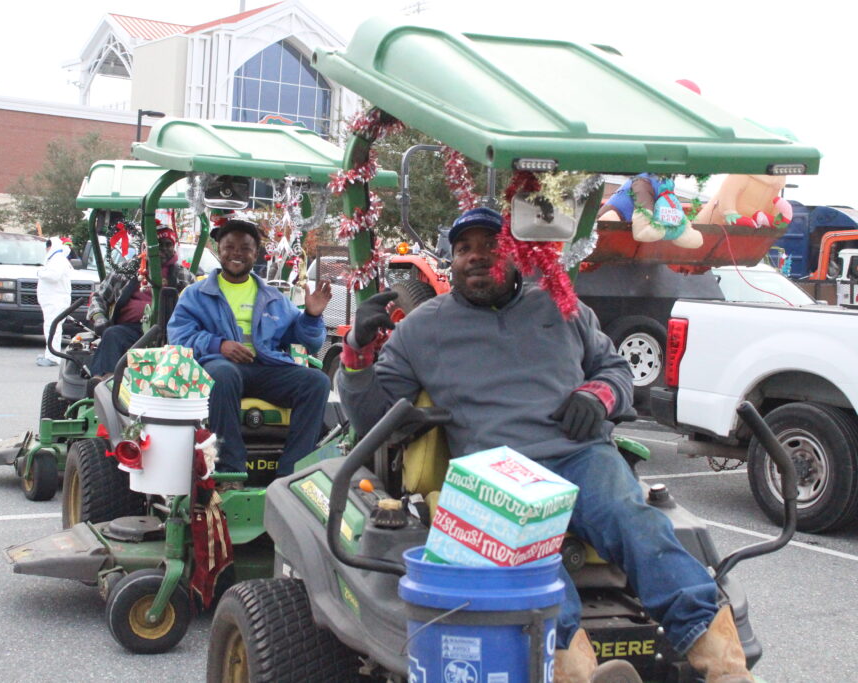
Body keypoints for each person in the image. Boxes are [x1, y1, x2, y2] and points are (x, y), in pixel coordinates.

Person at [337, 207, 754, 683]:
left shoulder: (563, 307)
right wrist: (357, 353)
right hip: (499, 472)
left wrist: (596, 396)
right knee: (537, 559)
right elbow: (374, 418)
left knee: (636, 522)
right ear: (451, 261)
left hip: (579, 454)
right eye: (463, 248)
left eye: (489, 246)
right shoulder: (422, 329)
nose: (476, 257)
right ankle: (575, 672)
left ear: (514, 253)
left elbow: (615, 369)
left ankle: (722, 666)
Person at [168, 219, 332, 479]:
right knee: (224, 375)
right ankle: (230, 471)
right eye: (229, 247)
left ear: (255, 254)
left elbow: (310, 342)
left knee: (317, 382)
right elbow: (179, 336)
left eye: (245, 248)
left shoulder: (273, 297)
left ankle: (292, 473)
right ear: (218, 250)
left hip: (265, 369)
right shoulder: (196, 294)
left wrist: (311, 317)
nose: (236, 253)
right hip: (219, 368)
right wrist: (218, 345)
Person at [87, 227, 193, 377]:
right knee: (112, 334)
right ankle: (104, 381)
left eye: (167, 244)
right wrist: (98, 317)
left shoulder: (184, 276)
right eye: (157, 244)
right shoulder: (127, 271)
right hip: (131, 330)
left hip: (170, 334)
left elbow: (197, 307)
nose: (162, 249)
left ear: (174, 247)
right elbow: (98, 297)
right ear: (146, 246)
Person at [36, 236, 74, 367]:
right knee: (50, 328)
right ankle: (49, 353)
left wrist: (40, 272)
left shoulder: (58, 260)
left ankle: (53, 357)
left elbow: (53, 276)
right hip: (52, 301)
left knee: (53, 328)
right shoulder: (56, 259)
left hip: (56, 301)